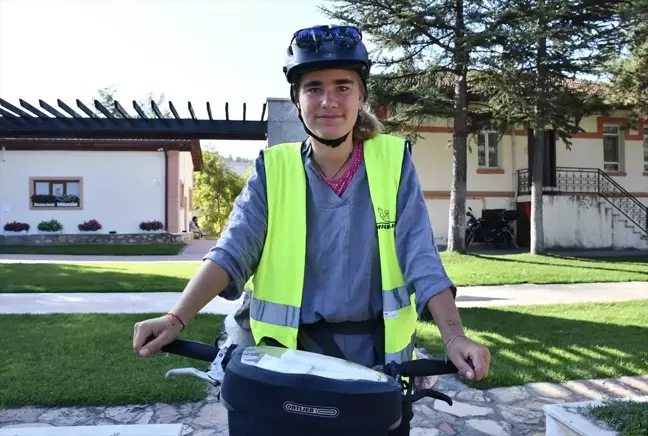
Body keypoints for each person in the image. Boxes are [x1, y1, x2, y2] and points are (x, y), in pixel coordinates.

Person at [132, 24, 490, 435]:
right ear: (297, 101)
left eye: (343, 86)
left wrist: (454, 337)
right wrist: (176, 319)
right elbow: (231, 254)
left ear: (361, 96)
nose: (328, 101)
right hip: (284, 366)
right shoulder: (274, 169)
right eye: (314, 88)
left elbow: (421, 258)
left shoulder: (393, 163)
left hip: (372, 367)